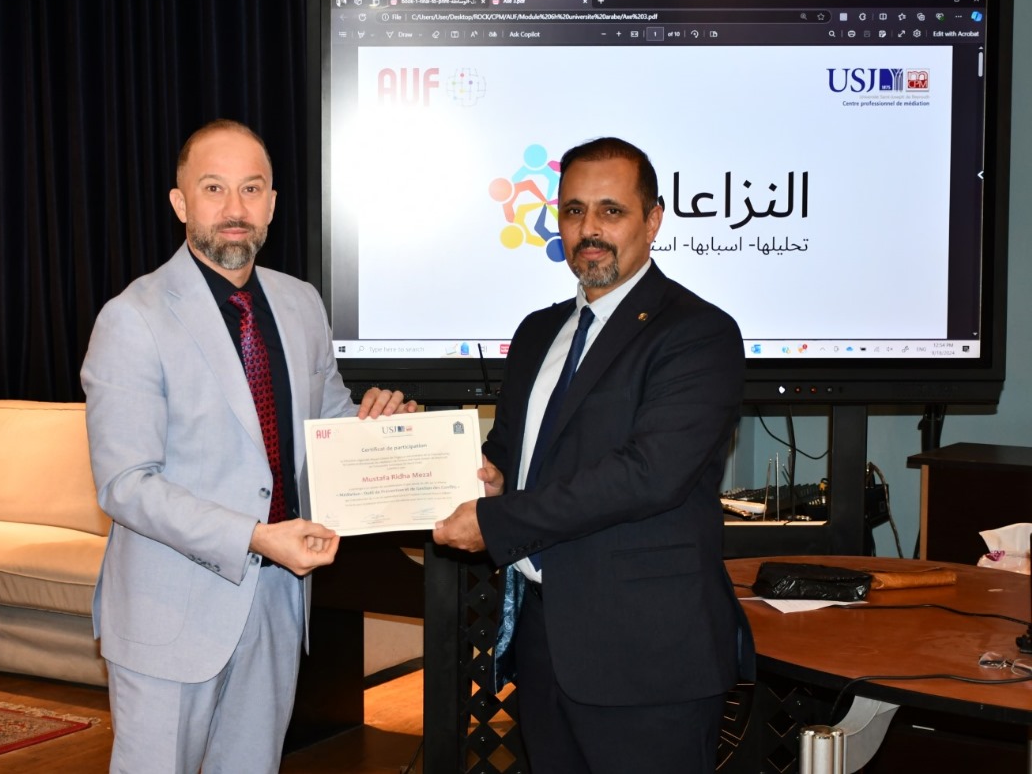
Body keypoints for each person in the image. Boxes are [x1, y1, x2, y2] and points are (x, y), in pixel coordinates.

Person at [81, 119, 414, 774]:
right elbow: (127, 484)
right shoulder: (133, 317)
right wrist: (255, 537)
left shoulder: (301, 303)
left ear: (272, 203)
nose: (235, 208)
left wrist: (377, 432)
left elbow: (325, 425)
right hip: (169, 614)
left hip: (278, 605)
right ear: (180, 203)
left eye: (251, 189)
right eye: (214, 188)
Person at [433, 136, 754, 772]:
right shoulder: (537, 332)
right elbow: (511, 453)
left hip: (648, 656)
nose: (590, 230)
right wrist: (486, 479)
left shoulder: (698, 333)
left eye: (612, 211)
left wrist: (497, 520)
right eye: (575, 211)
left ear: (653, 220)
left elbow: (648, 475)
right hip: (546, 643)